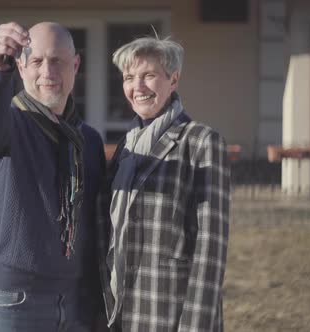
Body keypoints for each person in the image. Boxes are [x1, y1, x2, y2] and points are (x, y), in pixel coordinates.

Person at [0, 21, 106, 332]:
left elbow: (94, 227)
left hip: (72, 301)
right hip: (12, 300)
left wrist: (95, 304)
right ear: (21, 67)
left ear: (75, 65)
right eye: (37, 61)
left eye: (57, 61)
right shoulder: (10, 125)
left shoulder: (89, 141)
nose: (48, 71)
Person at [97, 36, 230, 331]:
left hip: (170, 315)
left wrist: (195, 325)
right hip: (120, 314)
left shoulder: (201, 142)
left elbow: (211, 249)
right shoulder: (126, 148)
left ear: (173, 79)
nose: (138, 87)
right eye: (129, 77)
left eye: (149, 75)